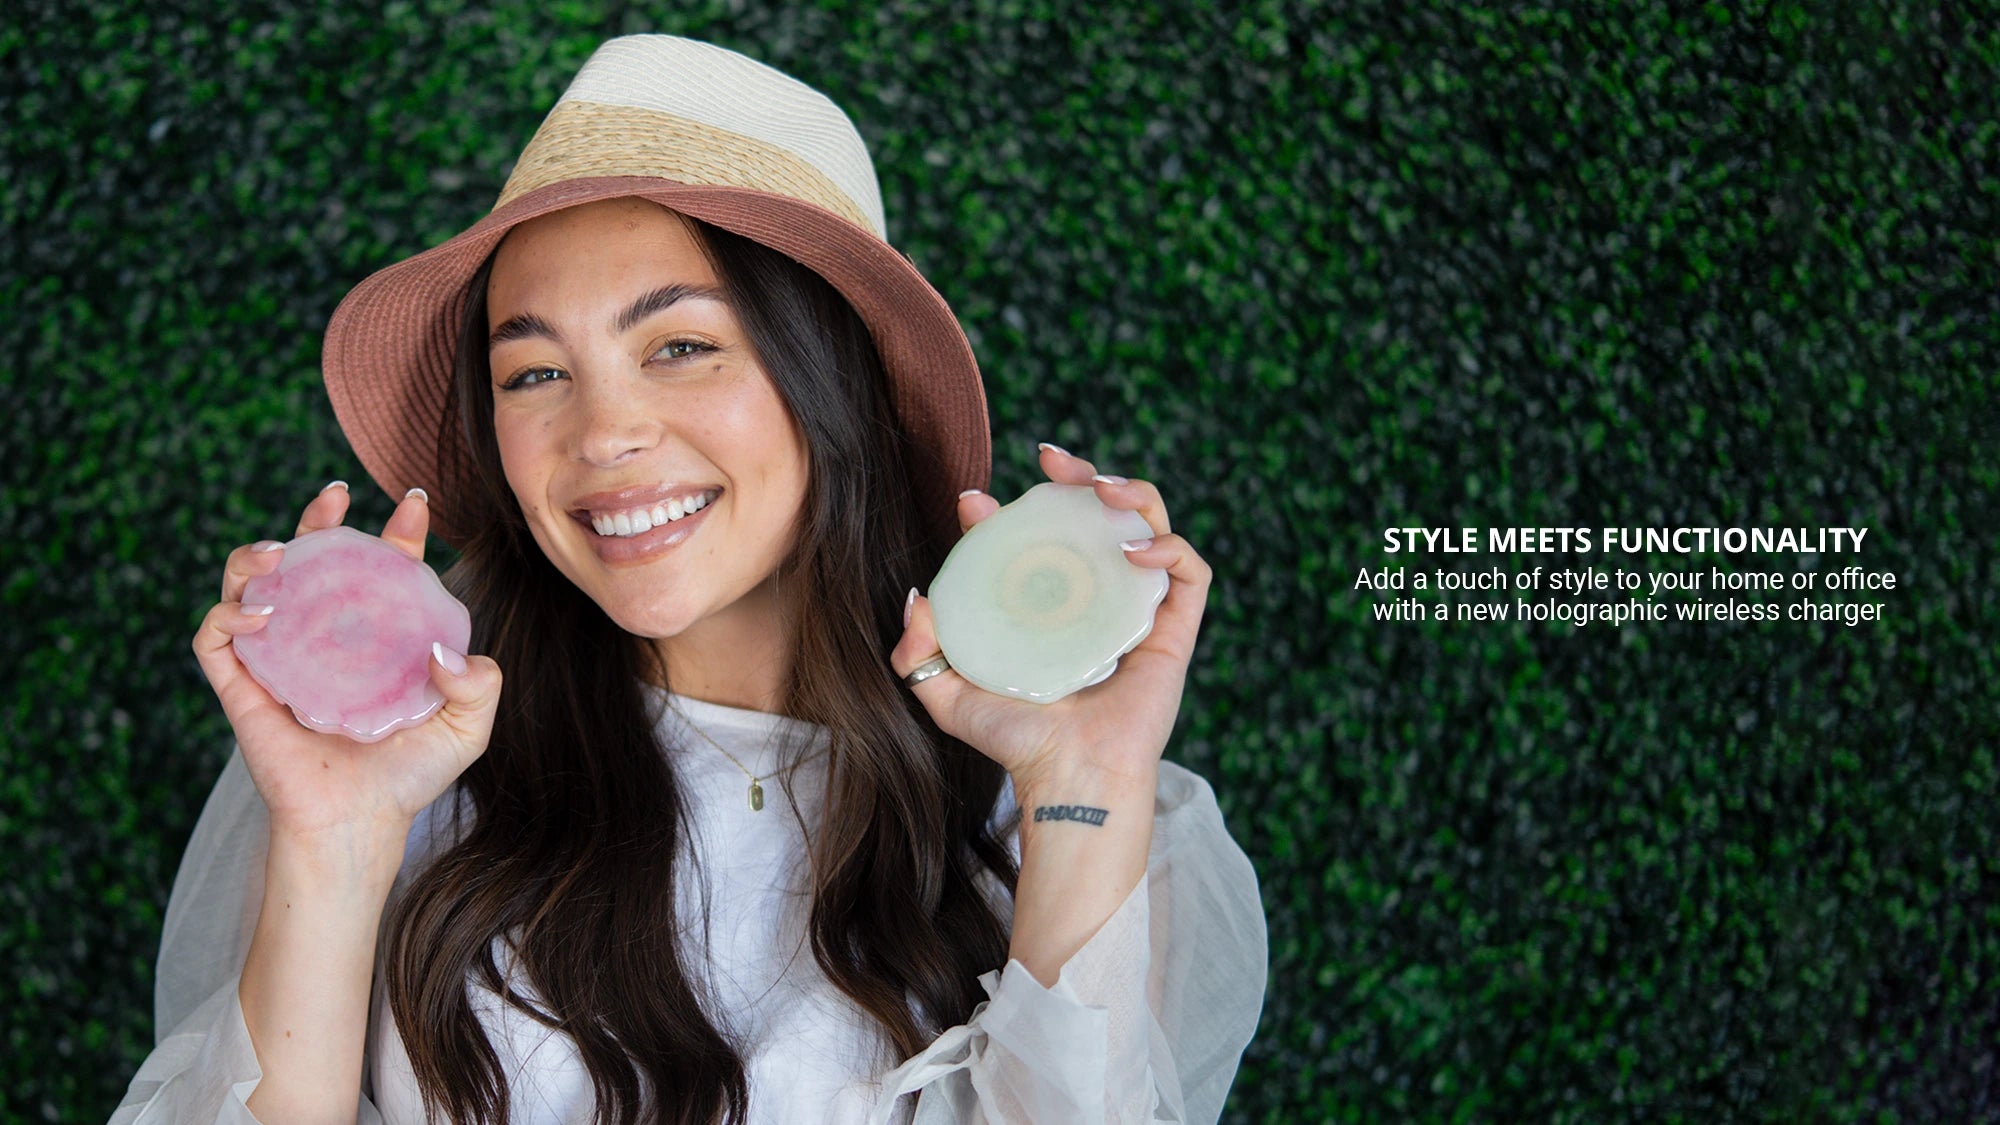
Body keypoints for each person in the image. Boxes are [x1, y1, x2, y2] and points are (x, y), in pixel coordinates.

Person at [111, 34, 1266, 1125]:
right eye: (533, 372)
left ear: (832, 379)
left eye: (679, 346)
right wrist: (337, 837)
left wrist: (1083, 784)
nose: (601, 433)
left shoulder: (1073, 812)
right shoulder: (405, 773)